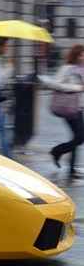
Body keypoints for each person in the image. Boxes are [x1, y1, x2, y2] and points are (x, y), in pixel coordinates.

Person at [49, 44, 84, 178]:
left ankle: (71, 170)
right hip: (69, 108)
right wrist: (75, 87)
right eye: (81, 54)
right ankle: (56, 151)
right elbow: (55, 84)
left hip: (78, 107)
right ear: (75, 56)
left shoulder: (82, 70)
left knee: (77, 137)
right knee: (80, 137)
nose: (83, 57)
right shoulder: (67, 69)